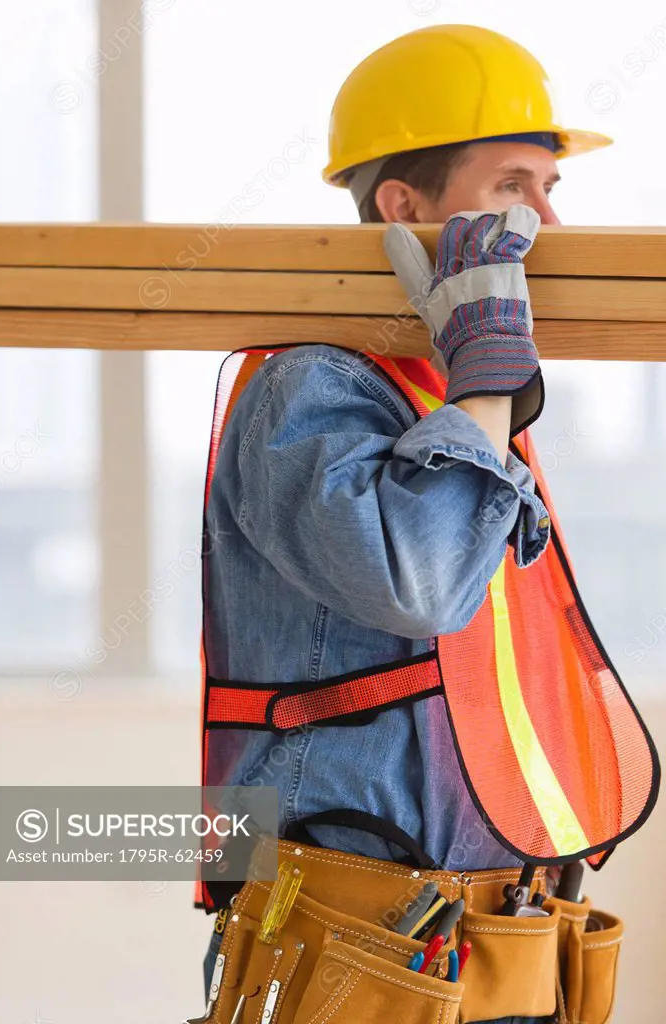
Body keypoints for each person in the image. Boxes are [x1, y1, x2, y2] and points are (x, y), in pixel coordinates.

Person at [198, 25, 634, 1024]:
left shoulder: (433, 391)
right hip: (361, 925)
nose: (547, 223)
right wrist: (484, 386)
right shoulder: (312, 383)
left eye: (550, 188)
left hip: (498, 925)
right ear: (403, 206)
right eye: (513, 184)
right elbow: (420, 584)